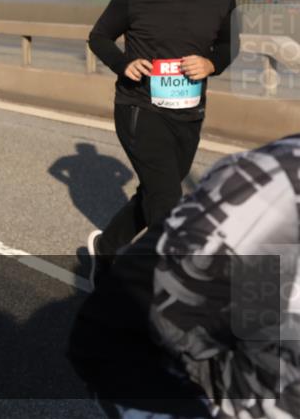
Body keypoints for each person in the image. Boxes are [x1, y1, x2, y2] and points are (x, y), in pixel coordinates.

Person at [68, 135, 300, 419]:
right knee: (162, 194)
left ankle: (115, 245)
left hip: (185, 115)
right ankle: (119, 248)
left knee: (160, 191)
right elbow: (110, 338)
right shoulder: (279, 187)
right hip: (149, 107)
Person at [86, 0, 237, 287]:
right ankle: (168, 288)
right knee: (168, 198)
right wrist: (125, 64)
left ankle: (106, 247)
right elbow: (100, 37)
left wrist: (211, 63)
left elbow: (229, 44)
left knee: (155, 191)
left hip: (189, 112)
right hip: (140, 108)